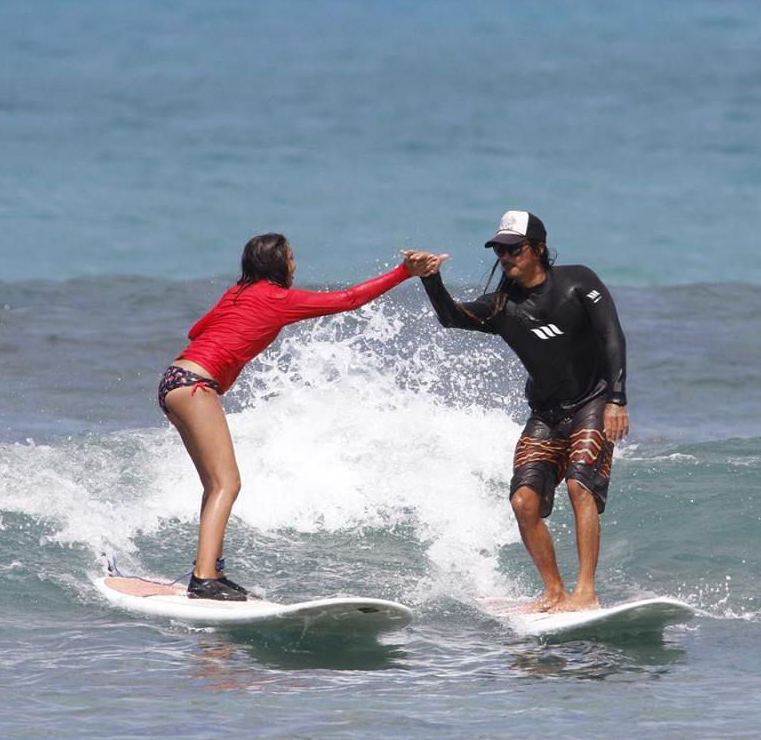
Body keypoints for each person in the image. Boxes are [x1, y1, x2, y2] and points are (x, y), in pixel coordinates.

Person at [158, 233, 437, 601]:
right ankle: (205, 577)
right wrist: (404, 272)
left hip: (173, 381)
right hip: (197, 386)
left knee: (214, 485)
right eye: (290, 258)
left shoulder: (236, 294)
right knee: (228, 484)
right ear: (278, 265)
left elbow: (197, 332)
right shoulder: (277, 298)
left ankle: (209, 571)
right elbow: (349, 300)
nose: (295, 265)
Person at [411, 211, 628, 612]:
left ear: (538, 249)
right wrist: (430, 278)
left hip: (593, 402)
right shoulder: (502, 306)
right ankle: (554, 592)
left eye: (514, 249)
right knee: (523, 502)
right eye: (500, 250)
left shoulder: (579, 282)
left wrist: (616, 398)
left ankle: (585, 593)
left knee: (580, 486)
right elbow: (451, 317)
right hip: (546, 412)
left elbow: (612, 334)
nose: (506, 257)